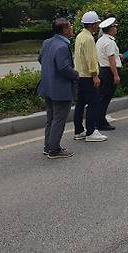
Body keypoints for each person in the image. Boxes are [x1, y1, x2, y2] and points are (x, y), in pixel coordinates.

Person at [37, 18, 79, 159]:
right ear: (65, 30)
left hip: (48, 86)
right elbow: (64, 68)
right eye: (70, 26)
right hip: (60, 89)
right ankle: (54, 149)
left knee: (51, 118)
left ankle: (48, 146)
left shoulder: (47, 42)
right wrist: (76, 75)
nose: (72, 27)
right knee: (58, 119)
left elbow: (40, 59)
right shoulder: (62, 46)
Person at [73, 11, 107, 142]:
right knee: (93, 103)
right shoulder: (89, 38)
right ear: (93, 24)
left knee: (80, 104)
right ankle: (91, 132)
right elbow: (91, 59)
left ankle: (79, 131)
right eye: (97, 23)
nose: (97, 26)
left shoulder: (80, 36)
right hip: (88, 76)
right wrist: (95, 75)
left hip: (79, 75)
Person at [96, 17, 122, 131]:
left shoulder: (101, 40)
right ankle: (100, 122)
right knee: (105, 98)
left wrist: (118, 56)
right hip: (108, 72)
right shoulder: (110, 41)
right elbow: (111, 60)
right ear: (111, 29)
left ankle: (100, 120)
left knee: (102, 97)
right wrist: (116, 75)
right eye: (115, 26)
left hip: (102, 70)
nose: (116, 28)